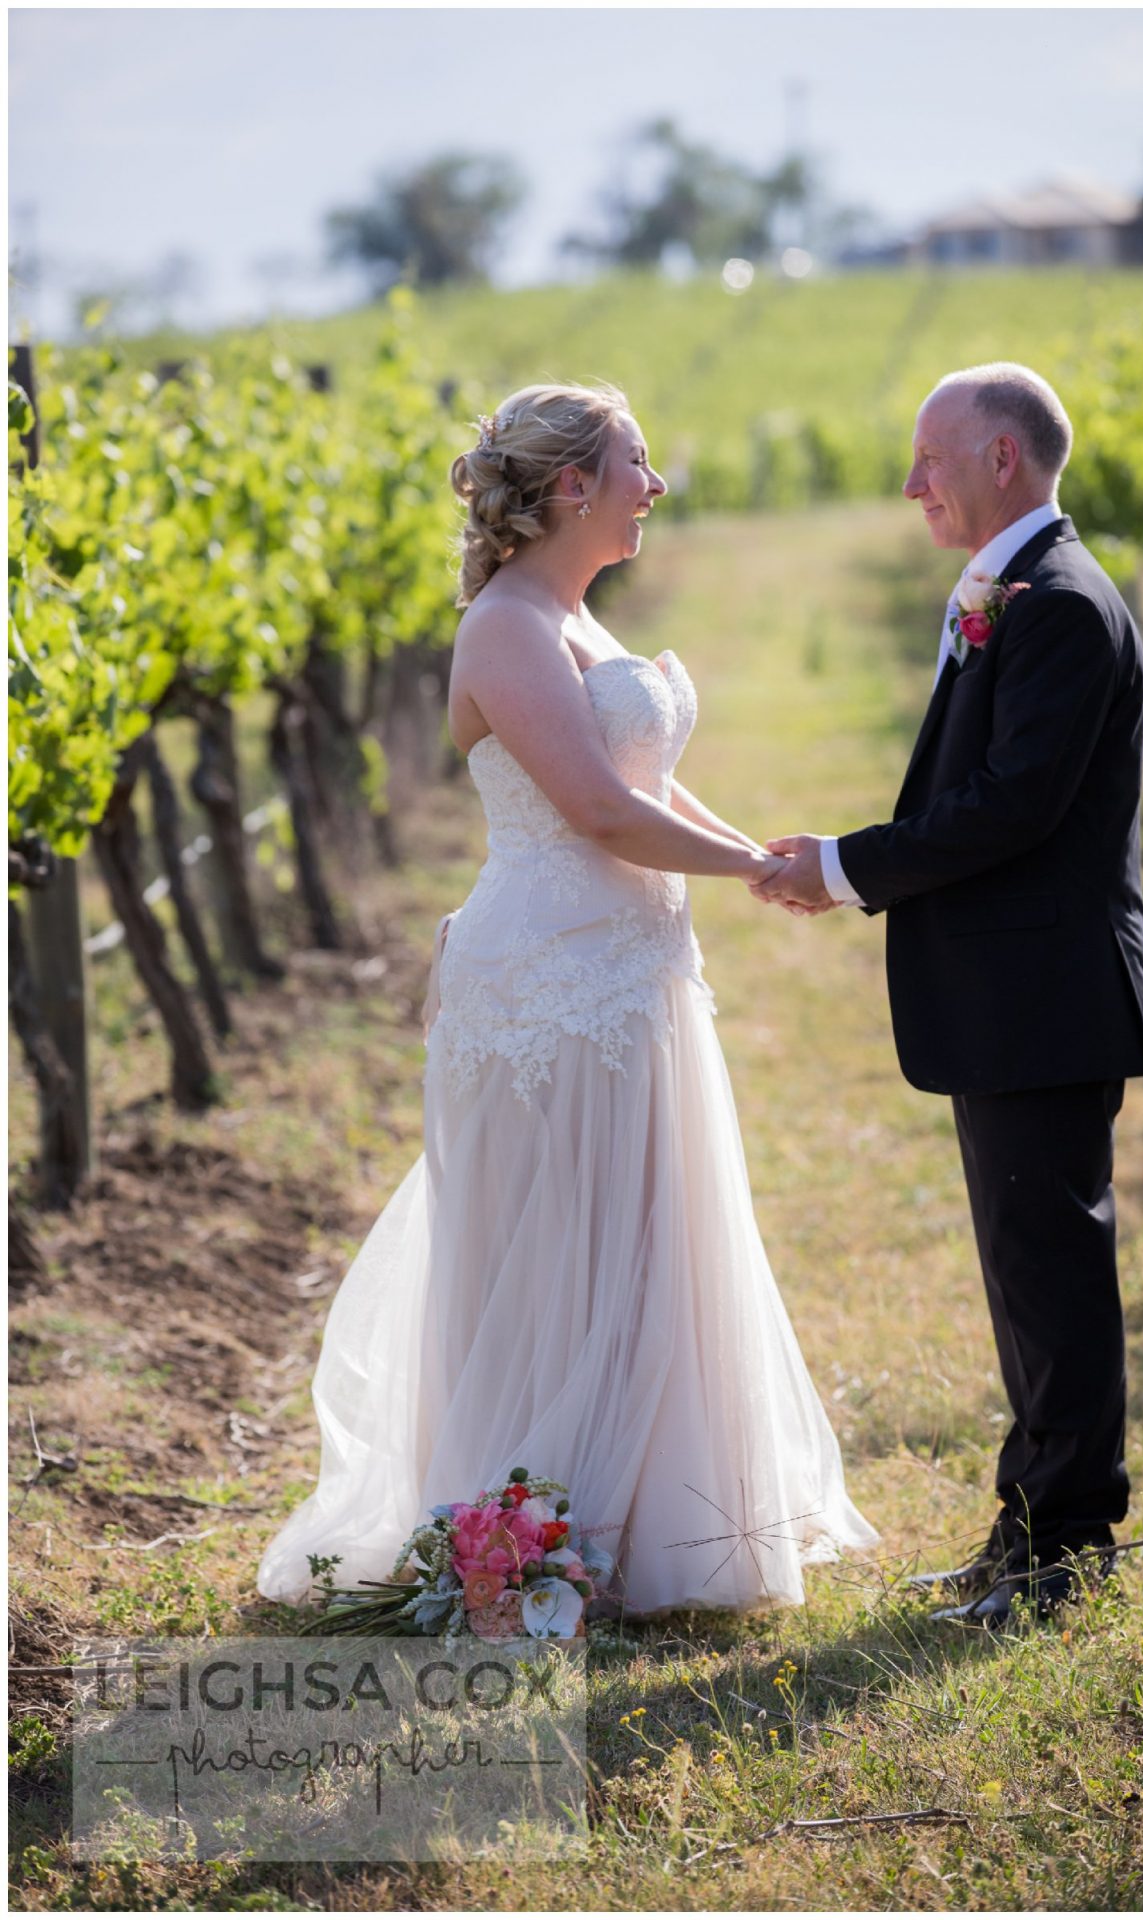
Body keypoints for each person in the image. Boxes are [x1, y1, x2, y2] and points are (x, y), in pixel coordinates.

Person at [257, 382, 877, 1618]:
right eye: (637, 463)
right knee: (556, 1249)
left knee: (646, 1235)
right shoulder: (504, 629)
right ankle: (530, 1520)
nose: (656, 486)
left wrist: (766, 855)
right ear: (571, 487)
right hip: (545, 987)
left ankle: (651, 1517)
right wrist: (760, 872)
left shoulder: (579, 621)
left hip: (632, 972)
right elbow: (595, 811)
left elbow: (646, 782)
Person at [753, 363, 1143, 1627]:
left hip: (1043, 994)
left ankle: (1067, 1551)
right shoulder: (1010, 591)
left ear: (1002, 459)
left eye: (932, 457)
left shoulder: (1058, 606)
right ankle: (1026, 1525)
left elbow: (1008, 810)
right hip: (1009, 996)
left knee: (1054, 1271)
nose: (912, 481)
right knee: (1023, 1274)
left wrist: (840, 868)